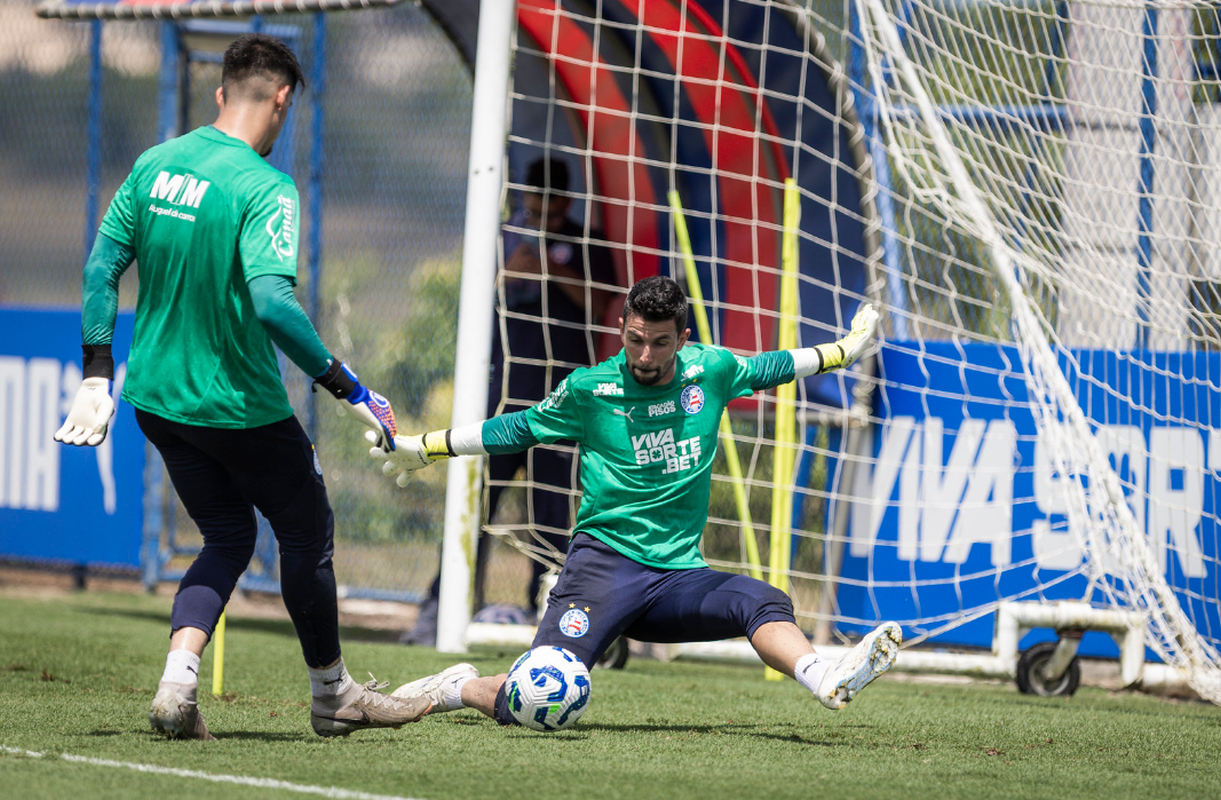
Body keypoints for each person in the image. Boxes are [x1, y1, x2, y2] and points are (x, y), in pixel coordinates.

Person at [53, 33, 429, 740]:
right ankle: (333, 695)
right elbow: (272, 304)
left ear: (223, 91)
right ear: (282, 100)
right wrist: (346, 387)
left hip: (157, 399)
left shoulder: (157, 164)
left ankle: (176, 684)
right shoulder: (264, 186)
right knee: (307, 531)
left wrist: (98, 373)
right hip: (237, 406)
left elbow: (101, 269)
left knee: (225, 534)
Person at [373, 275, 900, 725]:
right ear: (623, 328)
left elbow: (773, 367)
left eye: (660, 343)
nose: (645, 356)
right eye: (634, 340)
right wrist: (427, 447)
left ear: (682, 339)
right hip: (603, 569)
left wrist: (843, 351)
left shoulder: (710, 370)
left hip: (677, 578)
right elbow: (518, 427)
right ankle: (458, 687)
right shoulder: (591, 389)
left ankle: (824, 677)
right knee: (536, 702)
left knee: (759, 601)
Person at [402, 156, 616, 645]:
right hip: (502, 406)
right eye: (532, 199)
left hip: (562, 409)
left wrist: (545, 269)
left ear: (566, 200)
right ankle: (441, 609)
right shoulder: (500, 236)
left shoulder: (588, 242)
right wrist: (508, 271)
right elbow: (480, 293)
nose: (541, 209)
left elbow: (600, 303)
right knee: (474, 506)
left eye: (551, 201)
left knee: (551, 520)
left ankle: (550, 618)